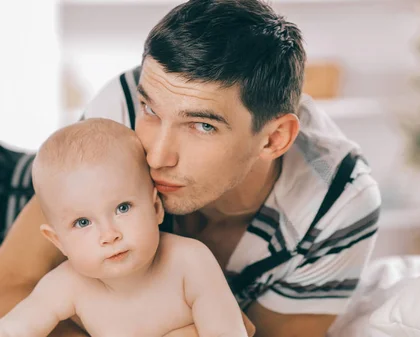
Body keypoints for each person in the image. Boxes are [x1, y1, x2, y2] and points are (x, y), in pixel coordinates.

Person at [0, 0, 381, 336]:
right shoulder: (125, 106)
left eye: (202, 126)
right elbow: (13, 281)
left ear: (273, 139)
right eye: (151, 110)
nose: (157, 156)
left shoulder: (338, 205)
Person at [0, 118, 250, 337]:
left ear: (155, 208)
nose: (110, 235)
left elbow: (227, 331)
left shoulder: (190, 262)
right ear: (58, 241)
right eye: (83, 223)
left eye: (122, 208)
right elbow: (15, 329)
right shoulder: (66, 286)